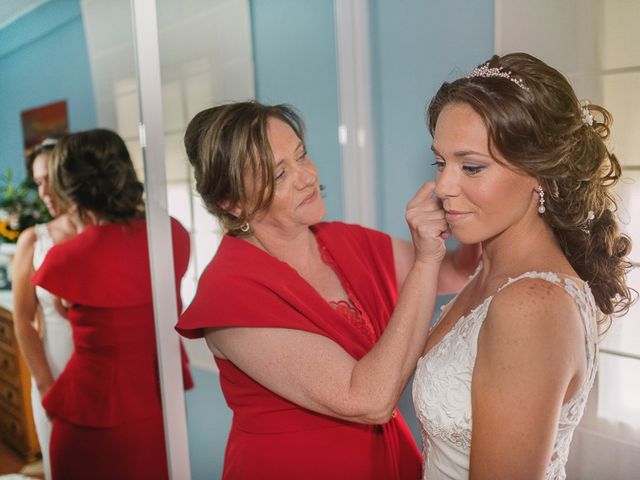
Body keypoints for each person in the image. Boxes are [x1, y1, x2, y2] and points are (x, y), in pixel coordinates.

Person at [175, 101, 480, 479]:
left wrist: (466, 202)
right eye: (279, 174)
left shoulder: (344, 241)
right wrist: (424, 260)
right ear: (231, 203)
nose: (305, 176)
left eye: (301, 155)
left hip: (386, 461)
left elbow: (458, 271)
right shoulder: (229, 292)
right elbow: (367, 399)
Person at [412, 52, 634, 479]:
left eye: (471, 167)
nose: (442, 187)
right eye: (440, 162)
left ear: (540, 174)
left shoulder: (531, 305)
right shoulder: (491, 270)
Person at [30, 129, 192, 480]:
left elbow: (61, 311)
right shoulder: (172, 232)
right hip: (156, 399)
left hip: (91, 414)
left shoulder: (65, 259)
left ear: (70, 190)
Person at [12, 137, 77, 480]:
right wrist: (45, 386)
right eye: (38, 182)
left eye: (52, 177)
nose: (46, 191)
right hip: (53, 373)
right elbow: (22, 321)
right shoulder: (33, 240)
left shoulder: (102, 232)